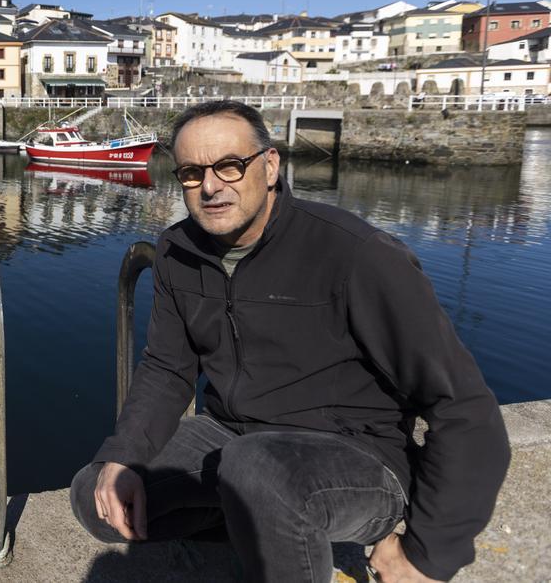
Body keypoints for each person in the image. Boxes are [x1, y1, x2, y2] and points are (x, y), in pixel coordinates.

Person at [70, 100, 509, 582]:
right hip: (232, 436)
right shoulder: (178, 250)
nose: (211, 186)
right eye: (192, 173)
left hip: (357, 455)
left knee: (257, 470)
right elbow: (167, 368)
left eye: (230, 166)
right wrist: (123, 455)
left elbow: (464, 406)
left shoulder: (356, 255)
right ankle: (250, 518)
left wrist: (428, 554)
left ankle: (268, 516)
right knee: (96, 493)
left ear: (271, 165)